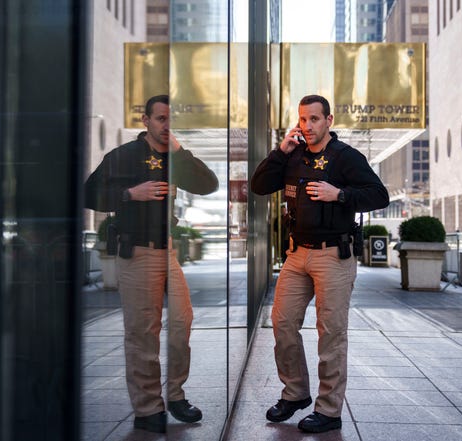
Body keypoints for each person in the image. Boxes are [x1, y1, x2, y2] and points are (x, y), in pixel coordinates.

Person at [250, 94, 388, 433]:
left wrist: (338, 194)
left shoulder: (345, 158)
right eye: (302, 119)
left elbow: (379, 195)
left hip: (333, 255)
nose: (307, 126)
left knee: (330, 333)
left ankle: (328, 410)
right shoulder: (292, 155)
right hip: (298, 254)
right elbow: (259, 185)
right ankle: (295, 393)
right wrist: (279, 152)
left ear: (328, 120)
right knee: (282, 322)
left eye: (314, 119)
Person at [84, 95, 219, 433]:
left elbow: (208, 184)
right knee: (143, 333)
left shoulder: (175, 157)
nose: (166, 125)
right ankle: (147, 408)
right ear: (145, 120)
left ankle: (175, 395)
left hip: (168, 252)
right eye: (160, 119)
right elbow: (88, 194)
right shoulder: (124, 156)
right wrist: (131, 194)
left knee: (182, 322)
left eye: (171, 120)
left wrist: (179, 152)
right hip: (137, 252)